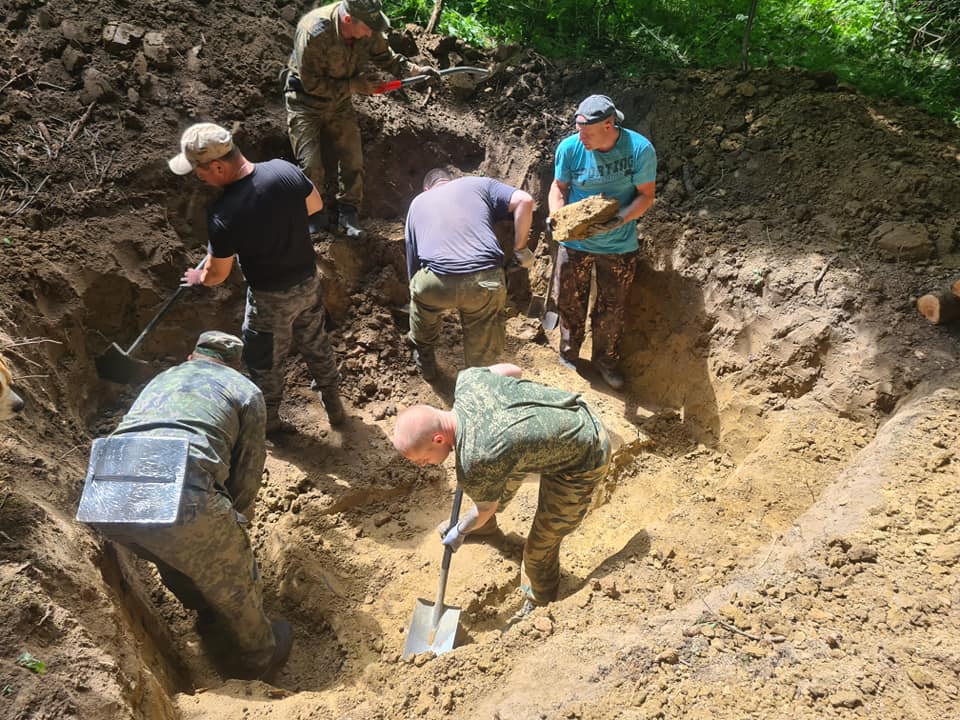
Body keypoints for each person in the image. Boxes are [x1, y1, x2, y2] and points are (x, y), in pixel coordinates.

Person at [77, 332, 291, 680]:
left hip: (105, 493)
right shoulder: (244, 390)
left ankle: (207, 611)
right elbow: (248, 469)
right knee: (235, 575)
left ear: (193, 356)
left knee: (169, 553)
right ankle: (260, 655)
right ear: (233, 365)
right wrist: (235, 523)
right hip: (180, 486)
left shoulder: (164, 377)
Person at [392, 364, 611, 616]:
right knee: (497, 473)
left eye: (422, 459)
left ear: (438, 439)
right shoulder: (469, 381)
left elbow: (485, 507)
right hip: (572, 411)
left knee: (540, 546)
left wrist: (460, 531)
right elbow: (514, 370)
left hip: (586, 456)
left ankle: (540, 599)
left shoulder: (476, 460)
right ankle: (485, 529)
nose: (423, 465)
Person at [170, 122, 346, 434]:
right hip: (308, 284)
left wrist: (198, 276)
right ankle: (335, 407)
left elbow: (217, 275)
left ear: (218, 166)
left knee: (265, 362)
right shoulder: (284, 170)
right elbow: (314, 206)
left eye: (200, 171)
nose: (199, 177)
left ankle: (271, 425)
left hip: (270, 300)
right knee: (316, 342)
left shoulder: (224, 214)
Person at [284, 0, 440, 239]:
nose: (370, 34)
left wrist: (416, 71)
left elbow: (387, 58)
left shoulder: (369, 27)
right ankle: (313, 214)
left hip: (340, 103)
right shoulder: (313, 31)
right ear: (348, 20)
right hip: (304, 102)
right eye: (367, 28)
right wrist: (353, 85)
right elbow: (310, 83)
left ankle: (348, 213)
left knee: (353, 159)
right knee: (310, 165)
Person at [547, 94, 657, 390]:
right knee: (569, 301)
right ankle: (569, 354)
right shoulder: (570, 148)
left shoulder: (639, 150)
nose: (580, 137)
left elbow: (646, 196)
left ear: (609, 125)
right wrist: (558, 217)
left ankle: (605, 362)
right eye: (578, 130)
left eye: (587, 132)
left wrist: (618, 220)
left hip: (618, 244)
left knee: (612, 307)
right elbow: (559, 187)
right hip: (576, 243)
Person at [404, 169, 535, 379]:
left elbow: (413, 260)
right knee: (483, 356)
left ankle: (425, 359)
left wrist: (418, 295)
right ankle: (480, 381)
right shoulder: (478, 184)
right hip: (485, 282)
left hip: (436, 282)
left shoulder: (417, 203)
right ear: (451, 181)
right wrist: (520, 250)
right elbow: (525, 201)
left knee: (423, 308)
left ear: (427, 188)